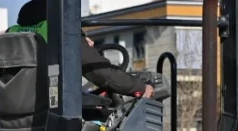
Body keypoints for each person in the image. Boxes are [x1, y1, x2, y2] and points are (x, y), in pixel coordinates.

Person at [8, 0, 154, 98]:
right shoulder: (61, 31)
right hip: (50, 117)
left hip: (7, 121)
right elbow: (101, 73)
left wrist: (80, 41)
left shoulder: (10, 34)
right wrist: (141, 88)